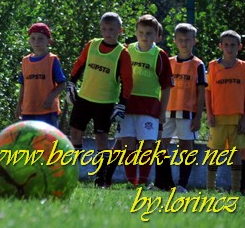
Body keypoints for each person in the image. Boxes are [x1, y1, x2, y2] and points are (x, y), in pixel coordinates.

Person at [66, 12, 133, 186]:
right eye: (104, 29)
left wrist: (122, 104)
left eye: (111, 29)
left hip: (105, 103)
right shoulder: (92, 45)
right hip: (84, 99)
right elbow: (79, 64)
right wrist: (71, 83)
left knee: (101, 137)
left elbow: (127, 81)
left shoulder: (122, 53)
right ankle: (73, 172)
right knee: (75, 132)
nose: (107, 32)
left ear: (120, 30)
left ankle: (101, 178)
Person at [111, 15, 172, 188]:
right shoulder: (127, 50)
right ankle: (132, 182)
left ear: (157, 35)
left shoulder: (160, 55)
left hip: (149, 107)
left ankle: (143, 181)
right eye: (141, 32)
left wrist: (162, 112)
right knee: (127, 143)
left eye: (149, 33)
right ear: (136, 32)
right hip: (127, 105)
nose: (145, 37)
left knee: (147, 145)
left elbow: (166, 87)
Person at [153, 23, 206, 192]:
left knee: (186, 147)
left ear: (194, 42)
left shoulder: (198, 64)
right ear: (175, 41)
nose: (184, 43)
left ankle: (182, 184)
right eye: (181, 40)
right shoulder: (168, 62)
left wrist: (198, 116)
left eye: (188, 40)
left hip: (187, 113)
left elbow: (201, 92)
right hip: (167, 111)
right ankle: (161, 183)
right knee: (160, 146)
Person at [205, 30, 245, 192]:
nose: (229, 48)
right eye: (226, 45)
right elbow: (208, 92)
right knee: (214, 153)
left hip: (237, 118)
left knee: (235, 154)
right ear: (220, 46)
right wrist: (209, 114)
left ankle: (235, 189)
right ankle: (210, 189)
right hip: (218, 117)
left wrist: (244, 119)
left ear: (239, 47)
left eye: (233, 45)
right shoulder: (213, 66)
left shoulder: (243, 67)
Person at [16, 22, 66, 128]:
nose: (36, 42)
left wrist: (51, 98)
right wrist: (19, 105)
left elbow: (62, 84)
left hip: (47, 110)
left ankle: (56, 146)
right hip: (28, 110)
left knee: (52, 140)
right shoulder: (25, 61)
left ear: (48, 41)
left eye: (40, 38)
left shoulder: (52, 60)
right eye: (33, 38)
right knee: (29, 141)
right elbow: (23, 85)